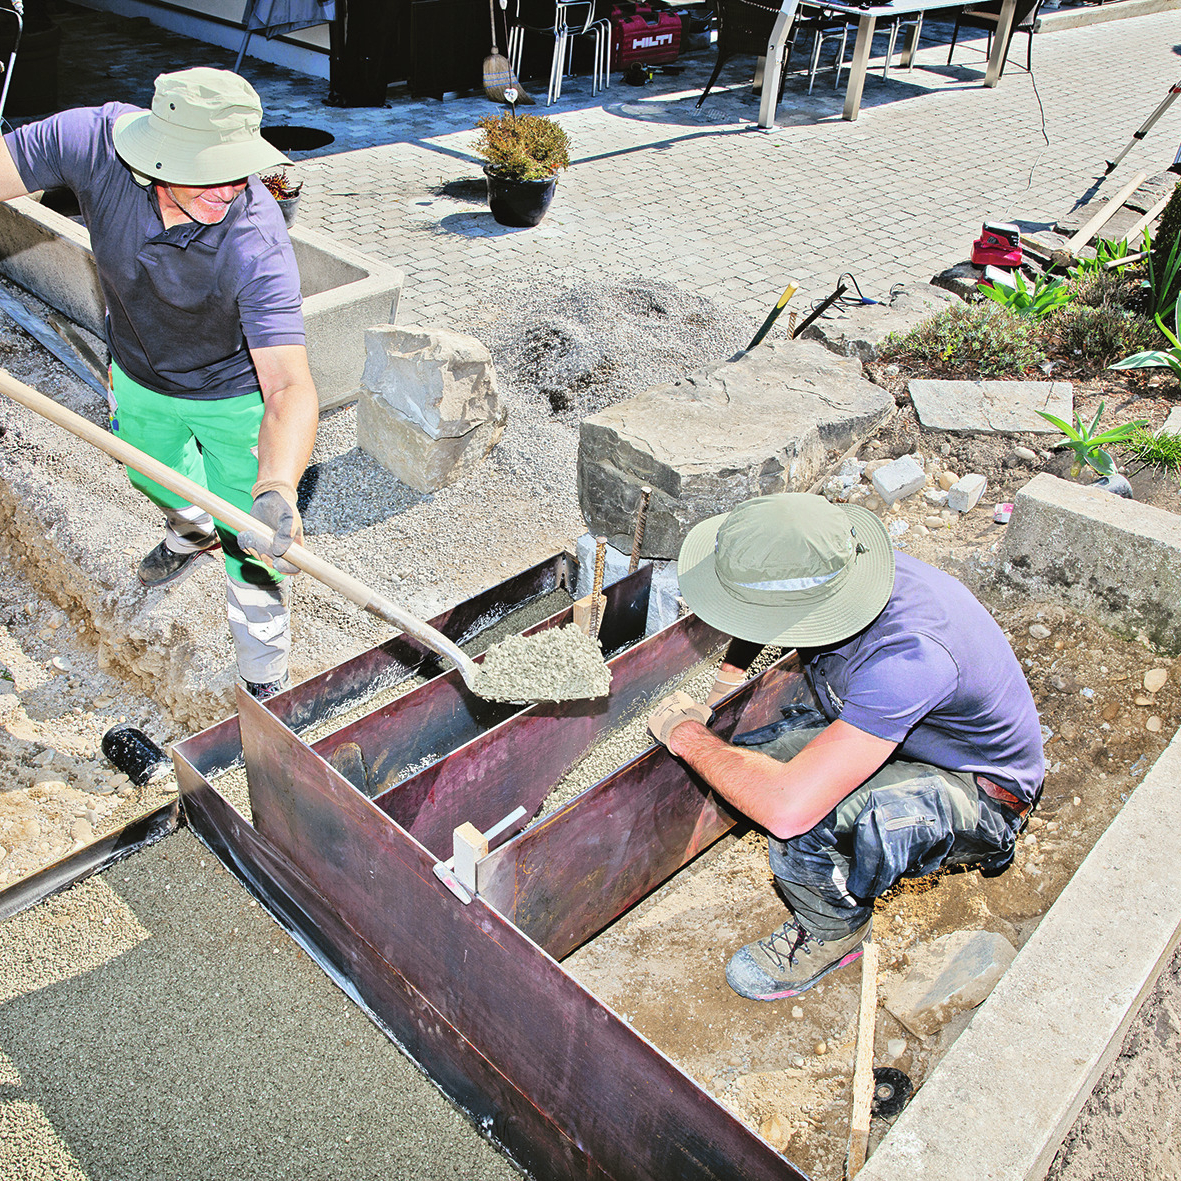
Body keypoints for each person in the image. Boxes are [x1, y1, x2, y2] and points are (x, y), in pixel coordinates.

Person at [646, 493, 1044, 1001]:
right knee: (748, 756)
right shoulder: (841, 571)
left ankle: (836, 930)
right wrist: (723, 690)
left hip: (976, 788)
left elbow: (789, 810)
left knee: (800, 826)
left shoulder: (907, 658)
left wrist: (685, 735)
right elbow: (761, 612)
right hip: (908, 732)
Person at [0, 67, 318, 699]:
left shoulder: (255, 242)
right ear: (156, 152)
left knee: (250, 543)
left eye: (239, 167)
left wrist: (278, 485)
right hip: (142, 371)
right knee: (148, 473)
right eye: (209, 169)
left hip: (234, 395)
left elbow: (288, 387)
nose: (230, 189)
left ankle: (265, 681)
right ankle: (189, 526)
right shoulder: (94, 141)